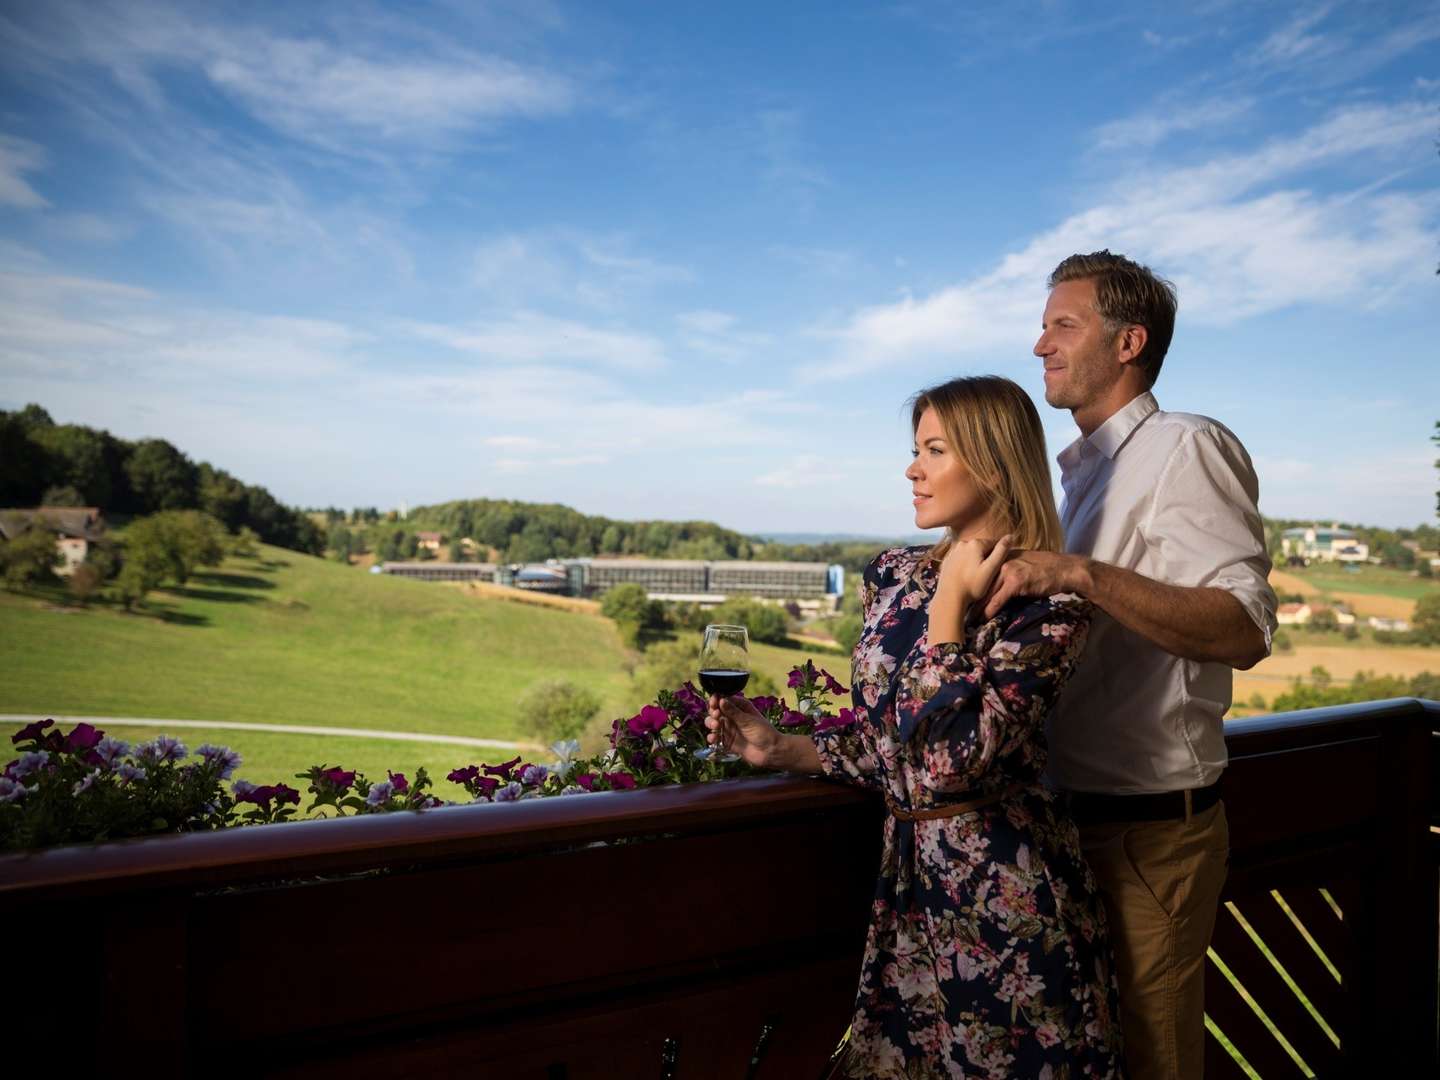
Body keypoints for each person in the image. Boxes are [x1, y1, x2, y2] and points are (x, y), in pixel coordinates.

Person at [708, 375, 1125, 1079]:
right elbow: (891, 745)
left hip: (1008, 907)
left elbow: (953, 763)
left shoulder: (1051, 605)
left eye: (935, 450)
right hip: (904, 894)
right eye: (915, 448)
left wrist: (949, 612)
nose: (912, 468)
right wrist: (783, 749)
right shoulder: (894, 575)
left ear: (993, 463)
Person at [982, 251, 1277, 1080]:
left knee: (1155, 1059)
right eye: (1043, 324)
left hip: (1150, 835)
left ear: (1128, 342)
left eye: (1062, 324)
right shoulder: (1080, 479)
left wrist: (1078, 574)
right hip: (1072, 826)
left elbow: (1244, 627)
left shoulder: (1184, 446)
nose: (1039, 342)